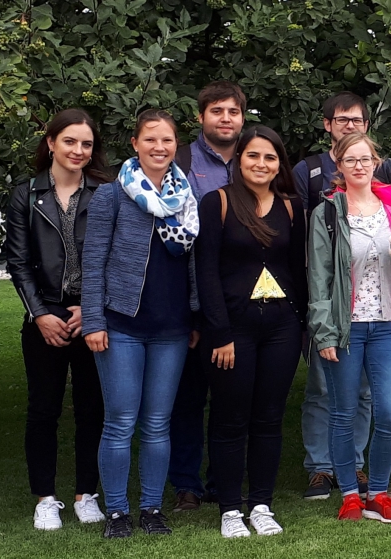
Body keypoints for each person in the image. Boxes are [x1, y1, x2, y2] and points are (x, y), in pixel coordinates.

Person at [83, 109, 201, 538]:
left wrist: (195, 314)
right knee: (119, 421)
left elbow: (194, 263)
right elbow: (93, 262)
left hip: (172, 327)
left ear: (176, 146)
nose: (159, 147)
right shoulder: (111, 196)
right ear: (135, 143)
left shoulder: (187, 197)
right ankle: (117, 512)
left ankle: (151, 508)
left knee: (157, 423)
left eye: (167, 140)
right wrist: (93, 321)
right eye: (150, 139)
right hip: (121, 325)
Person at [197, 126, 308, 537]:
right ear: (239, 159)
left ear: (279, 164)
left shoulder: (291, 207)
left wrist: (302, 324)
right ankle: (230, 509)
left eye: (270, 157)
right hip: (232, 330)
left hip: (282, 327)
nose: (261, 164)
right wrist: (220, 333)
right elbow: (206, 272)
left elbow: (297, 270)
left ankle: (261, 504)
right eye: (253, 156)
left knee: (269, 418)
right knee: (230, 418)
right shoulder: (218, 202)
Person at [309, 132, 391, 523]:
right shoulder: (327, 213)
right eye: (351, 160)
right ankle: (349, 496)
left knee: (390, 415)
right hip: (346, 327)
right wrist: (323, 331)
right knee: (343, 413)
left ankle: (377, 493)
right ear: (338, 166)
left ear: (376, 162)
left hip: (388, 325)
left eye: (366, 159)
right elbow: (320, 278)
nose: (359, 166)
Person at [3, 109, 110, 531]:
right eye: (69, 141)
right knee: (43, 410)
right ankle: (45, 499)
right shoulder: (25, 194)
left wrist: (94, 308)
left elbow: (114, 256)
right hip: (44, 315)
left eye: (86, 144)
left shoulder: (105, 192)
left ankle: (86, 494)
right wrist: (40, 314)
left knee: (92, 409)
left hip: (91, 316)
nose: (78, 150)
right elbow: (18, 262)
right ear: (50, 143)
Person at [297, 91, 385, 500]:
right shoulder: (307, 171)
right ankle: (320, 467)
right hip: (329, 300)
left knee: (364, 392)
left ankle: (355, 463)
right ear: (327, 124)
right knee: (322, 389)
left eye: (356, 120)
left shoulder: (384, 180)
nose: (349, 125)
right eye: (341, 119)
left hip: (376, 308)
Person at [169, 80, 246, 511]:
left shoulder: (255, 157)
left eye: (233, 111)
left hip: (239, 303)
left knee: (231, 399)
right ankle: (186, 484)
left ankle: (223, 480)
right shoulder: (181, 162)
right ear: (201, 117)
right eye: (217, 111)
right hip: (187, 300)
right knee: (188, 398)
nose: (225, 119)